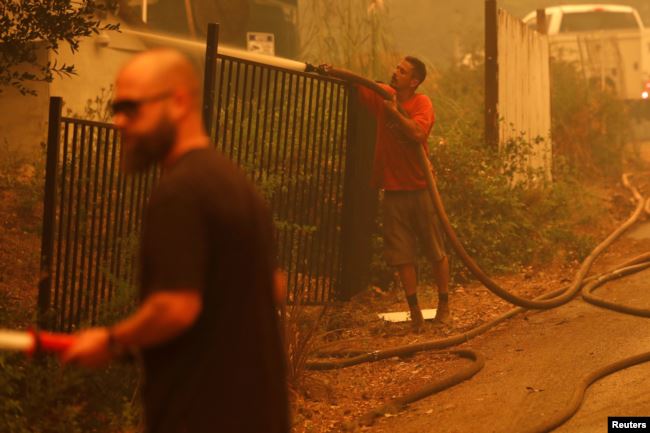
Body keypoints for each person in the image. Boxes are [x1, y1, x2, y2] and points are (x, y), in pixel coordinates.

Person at [62, 49, 290, 433]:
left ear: (179, 102)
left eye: (132, 108)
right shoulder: (235, 184)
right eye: (116, 109)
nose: (119, 121)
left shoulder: (180, 192)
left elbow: (175, 307)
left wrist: (111, 341)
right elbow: (275, 287)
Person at [326, 57, 450, 331]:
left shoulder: (422, 103)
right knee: (402, 255)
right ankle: (415, 312)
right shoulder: (383, 94)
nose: (396, 73)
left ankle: (444, 305)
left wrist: (394, 112)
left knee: (435, 250)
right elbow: (356, 83)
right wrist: (329, 70)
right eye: (397, 68)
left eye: (402, 71)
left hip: (421, 188)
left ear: (414, 81)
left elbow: (418, 133)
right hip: (393, 190)